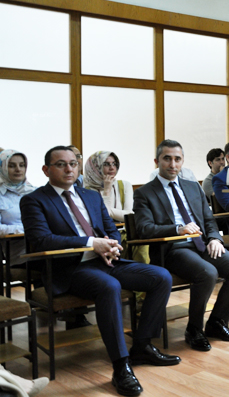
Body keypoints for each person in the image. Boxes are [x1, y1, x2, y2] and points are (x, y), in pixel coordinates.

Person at [20, 146, 179, 397]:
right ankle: (121, 366)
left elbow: (110, 228)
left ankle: (142, 345)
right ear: (46, 170)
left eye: (73, 163)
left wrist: (112, 245)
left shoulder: (91, 196)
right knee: (109, 286)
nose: (69, 169)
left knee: (160, 276)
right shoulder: (34, 200)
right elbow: (42, 240)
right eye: (61, 164)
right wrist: (91, 243)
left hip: (105, 261)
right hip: (70, 268)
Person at [134, 140, 229, 352]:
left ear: (182, 161)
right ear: (156, 161)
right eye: (167, 158)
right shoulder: (145, 192)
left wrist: (214, 239)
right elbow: (144, 228)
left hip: (202, 244)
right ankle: (194, 329)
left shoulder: (192, 186)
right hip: (173, 249)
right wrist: (177, 229)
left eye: (177, 159)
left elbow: (209, 219)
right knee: (207, 273)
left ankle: (217, 323)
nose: (172, 164)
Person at [0, 149, 36, 266]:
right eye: (11, 166)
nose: (18, 169)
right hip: (21, 256)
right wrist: (25, 229)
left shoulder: (35, 192)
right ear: (3, 168)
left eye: (22, 165)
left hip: (46, 247)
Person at [83, 151, 132, 223]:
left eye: (114, 164)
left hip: (123, 229)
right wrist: (107, 190)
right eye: (106, 164)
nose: (112, 168)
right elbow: (99, 218)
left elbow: (130, 216)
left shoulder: (124, 185)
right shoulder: (86, 190)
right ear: (95, 167)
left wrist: (107, 210)